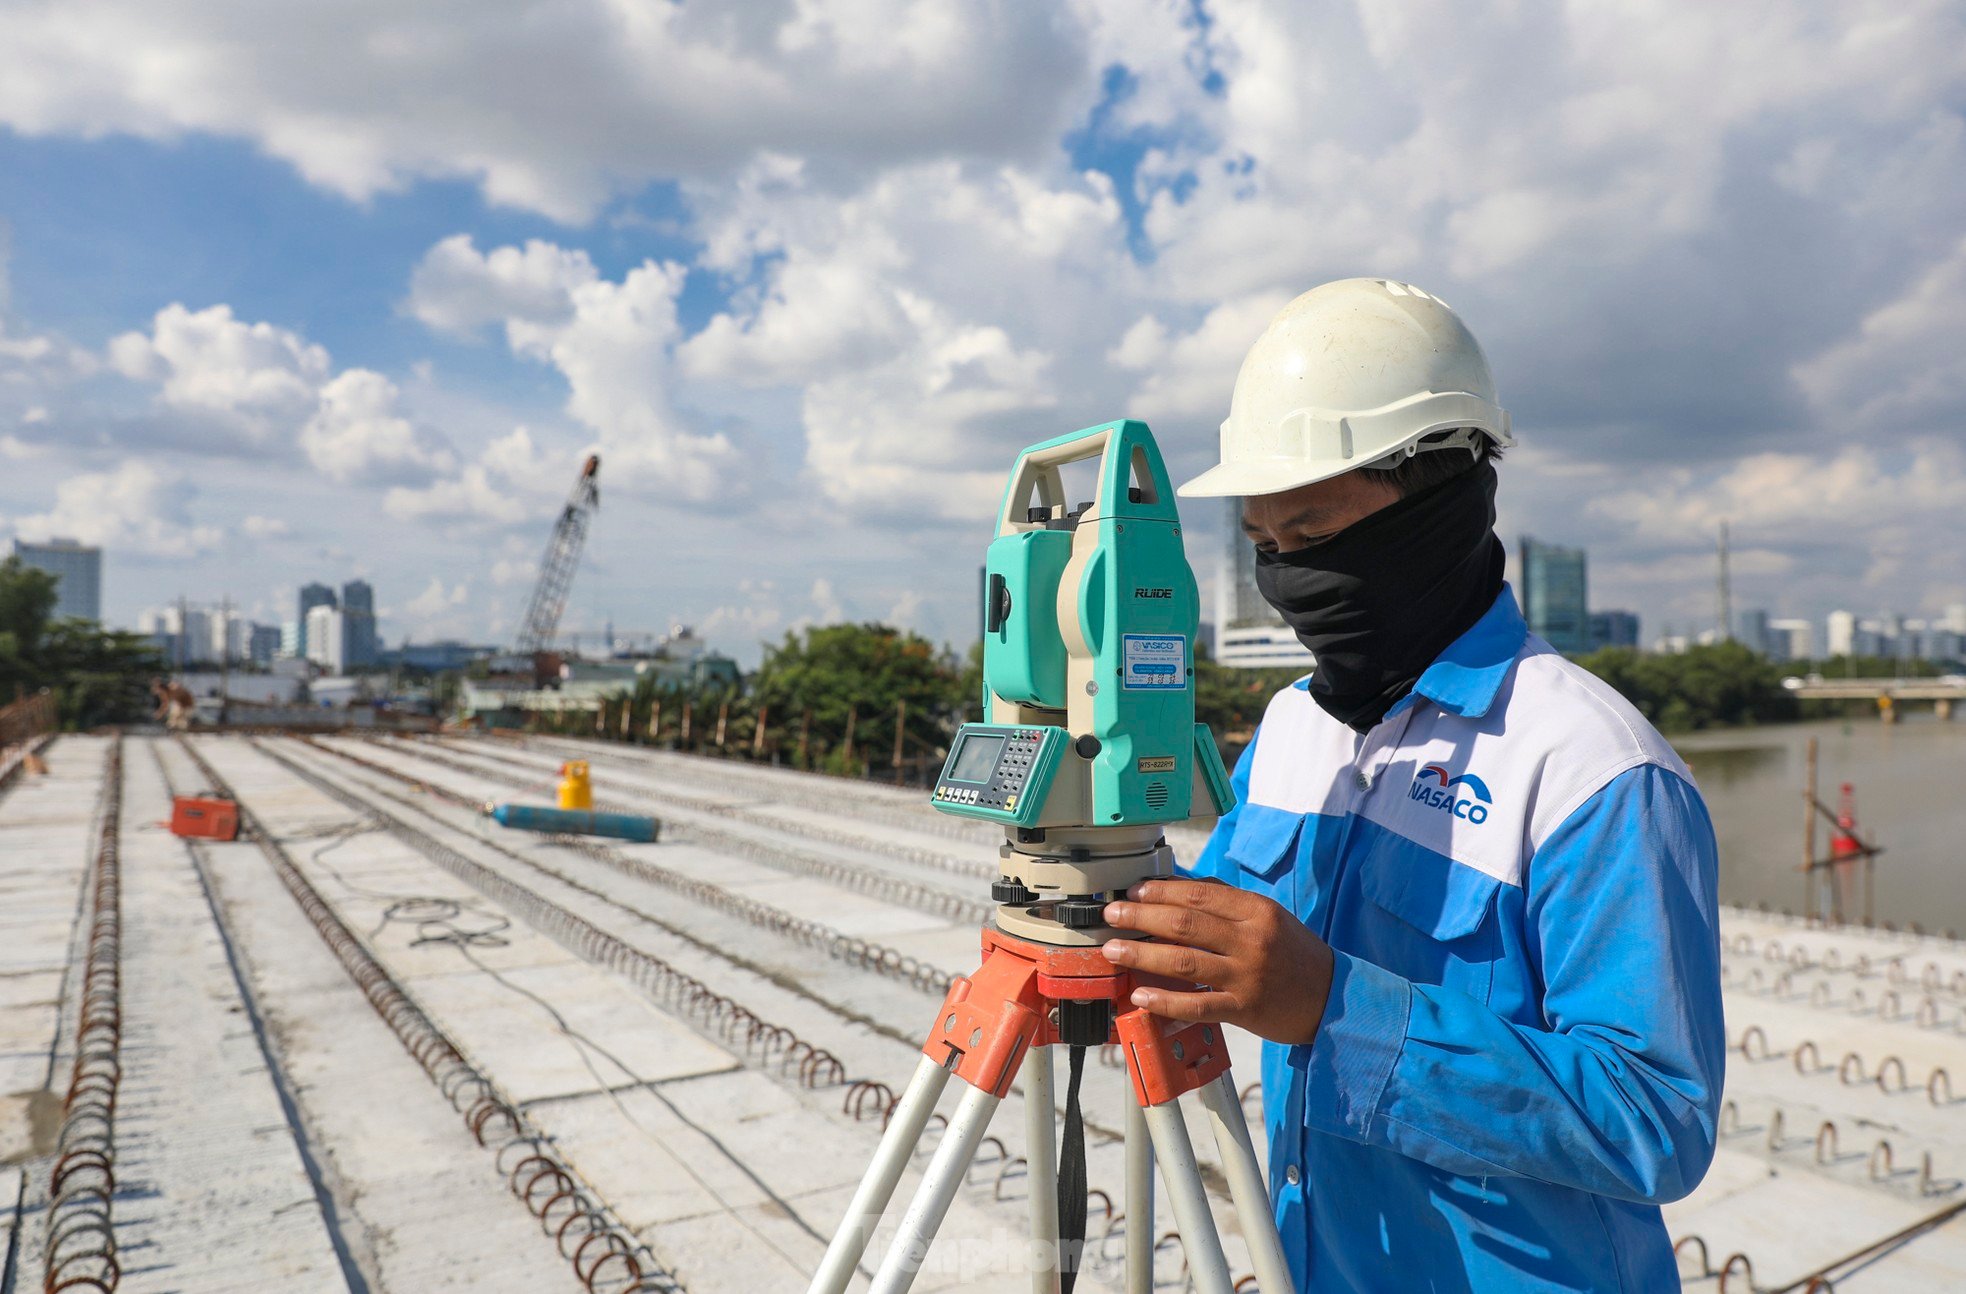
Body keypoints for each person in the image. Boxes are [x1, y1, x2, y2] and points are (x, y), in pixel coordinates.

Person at [1100, 278, 1724, 1292]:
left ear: (1443, 501)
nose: (1289, 575)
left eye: (1313, 536)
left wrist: (1334, 1006)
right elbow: (1216, 948)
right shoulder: (1292, 727)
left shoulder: (1593, 770)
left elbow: (1659, 1119)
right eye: (1264, 547)